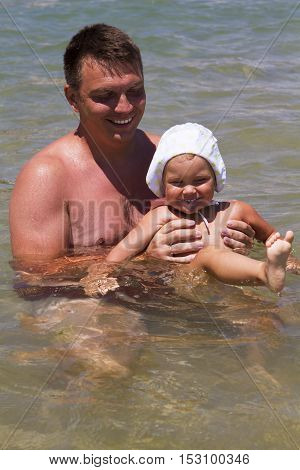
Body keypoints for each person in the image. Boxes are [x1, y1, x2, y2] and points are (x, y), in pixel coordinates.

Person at [9, 24, 255, 268]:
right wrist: (144, 259)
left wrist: (233, 240)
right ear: (73, 99)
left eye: (135, 91)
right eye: (105, 95)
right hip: (99, 305)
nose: (125, 107)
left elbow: (212, 220)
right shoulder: (46, 176)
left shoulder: (171, 156)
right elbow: (35, 280)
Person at [106, 123, 295, 293]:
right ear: (163, 186)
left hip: (230, 287)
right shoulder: (161, 216)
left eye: (200, 180)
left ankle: (269, 273)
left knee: (264, 318)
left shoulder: (237, 211)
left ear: (216, 180)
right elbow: (119, 255)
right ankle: (265, 272)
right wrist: (99, 277)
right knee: (208, 255)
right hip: (181, 285)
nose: (189, 190)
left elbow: (272, 238)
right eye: (177, 182)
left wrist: (289, 261)